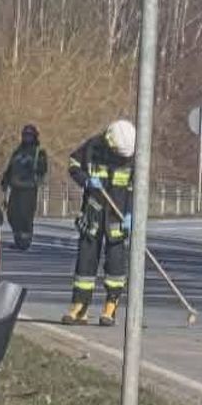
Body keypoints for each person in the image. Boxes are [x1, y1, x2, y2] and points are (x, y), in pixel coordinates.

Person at [62, 118, 136, 326]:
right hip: (93, 213)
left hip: (118, 216)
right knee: (85, 260)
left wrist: (131, 215)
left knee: (115, 264)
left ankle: (110, 306)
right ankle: (80, 306)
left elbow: (136, 188)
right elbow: (73, 164)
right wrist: (86, 181)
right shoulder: (93, 147)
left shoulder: (132, 157)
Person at [0, 123, 48, 250]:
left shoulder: (39, 152)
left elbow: (42, 170)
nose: (27, 138)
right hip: (15, 187)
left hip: (29, 189)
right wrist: (5, 181)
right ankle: (18, 239)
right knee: (12, 214)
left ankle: (25, 242)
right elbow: (10, 168)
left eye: (29, 135)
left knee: (25, 215)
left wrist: (32, 172)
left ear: (34, 137)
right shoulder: (18, 151)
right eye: (25, 135)